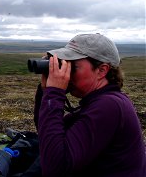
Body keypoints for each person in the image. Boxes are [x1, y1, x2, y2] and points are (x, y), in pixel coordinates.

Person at [33, 33, 146, 177]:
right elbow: (49, 137)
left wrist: (54, 93)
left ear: (101, 70)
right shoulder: (101, 101)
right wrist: (45, 92)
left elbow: (55, 168)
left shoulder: (110, 105)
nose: (67, 73)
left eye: (72, 66)